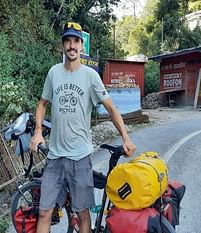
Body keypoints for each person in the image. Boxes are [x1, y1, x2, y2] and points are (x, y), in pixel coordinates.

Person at [29, 21, 136, 233]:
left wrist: (125, 137)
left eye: (75, 41)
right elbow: (42, 104)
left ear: (81, 46)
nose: (71, 45)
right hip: (55, 157)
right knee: (44, 211)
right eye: (67, 41)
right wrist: (38, 131)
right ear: (63, 46)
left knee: (83, 212)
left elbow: (111, 108)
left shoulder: (90, 76)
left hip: (80, 157)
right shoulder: (53, 73)